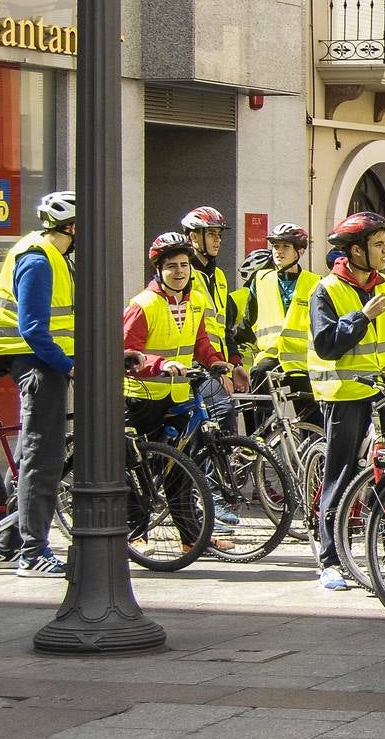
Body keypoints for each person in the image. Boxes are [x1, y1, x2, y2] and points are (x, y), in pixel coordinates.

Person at [308, 212, 385, 591]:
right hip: (345, 396)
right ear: (356, 251)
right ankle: (330, 559)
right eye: (378, 245)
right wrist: (361, 316)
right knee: (339, 475)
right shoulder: (326, 290)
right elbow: (326, 344)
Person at [0, 191, 79, 576]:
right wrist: (68, 366)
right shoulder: (39, 260)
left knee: (26, 459)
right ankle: (34, 553)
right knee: (42, 460)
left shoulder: (53, 257)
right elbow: (36, 329)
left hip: (41, 361)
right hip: (38, 365)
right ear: (71, 227)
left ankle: (6, 545)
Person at [123, 233, 236, 548]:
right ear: (158, 269)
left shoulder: (196, 300)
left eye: (184, 264)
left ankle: (191, 538)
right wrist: (159, 364)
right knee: (133, 468)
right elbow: (127, 353)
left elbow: (200, 343)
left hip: (176, 398)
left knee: (180, 471)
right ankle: (135, 535)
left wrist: (219, 363)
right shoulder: (143, 305)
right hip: (140, 398)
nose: (179, 271)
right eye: (171, 265)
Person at [249, 223, 318, 422]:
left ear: (300, 251)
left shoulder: (315, 282)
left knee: (311, 420)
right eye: (275, 246)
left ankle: (314, 449)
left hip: (303, 361)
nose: (278, 252)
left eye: (285, 247)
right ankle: (257, 447)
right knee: (260, 411)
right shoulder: (261, 279)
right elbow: (248, 320)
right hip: (270, 358)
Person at [180, 206, 251, 401]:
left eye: (219, 235)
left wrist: (235, 363)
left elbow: (225, 327)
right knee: (222, 412)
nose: (218, 240)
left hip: (218, 363)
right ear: (194, 237)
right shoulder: (184, 276)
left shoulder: (219, 276)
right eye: (211, 234)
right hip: (195, 364)